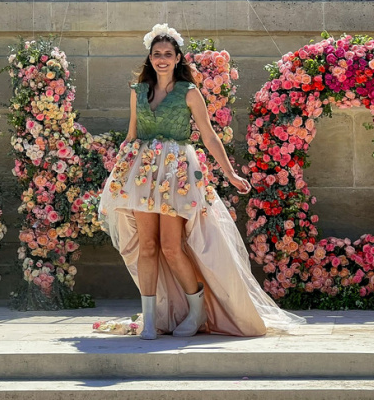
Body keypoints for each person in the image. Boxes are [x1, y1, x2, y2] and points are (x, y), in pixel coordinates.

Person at [97, 24, 305, 339]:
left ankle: (196, 312)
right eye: (157, 54)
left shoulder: (189, 92)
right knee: (148, 246)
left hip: (176, 172)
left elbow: (208, 135)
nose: (162, 59)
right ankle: (151, 320)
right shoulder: (137, 91)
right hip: (141, 172)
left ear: (178, 57)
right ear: (150, 58)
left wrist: (230, 173)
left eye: (168, 54)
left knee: (171, 246)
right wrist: (119, 173)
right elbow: (132, 134)